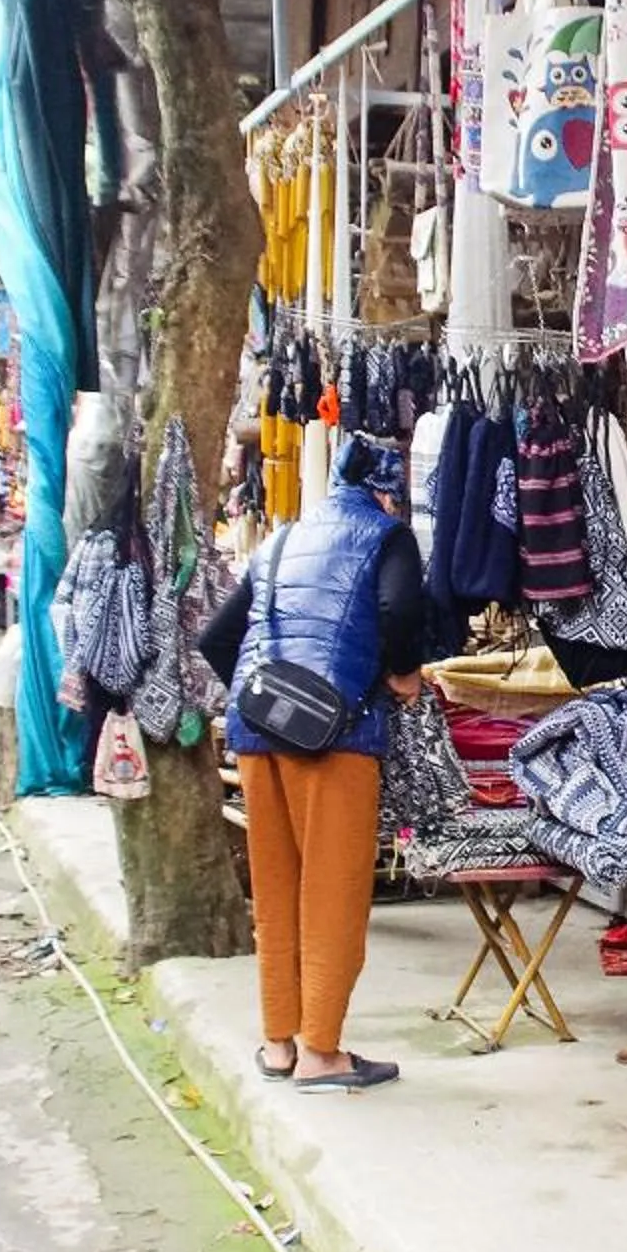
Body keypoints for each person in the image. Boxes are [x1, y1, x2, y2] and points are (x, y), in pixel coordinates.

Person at [199, 435, 425, 1094]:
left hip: (256, 727)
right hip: (334, 735)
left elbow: (218, 637)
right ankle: (322, 1053)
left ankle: (279, 1042)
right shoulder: (386, 537)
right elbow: (398, 608)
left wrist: (266, 702)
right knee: (333, 889)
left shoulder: (280, 540)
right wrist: (404, 673)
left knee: (276, 889)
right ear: (387, 491)